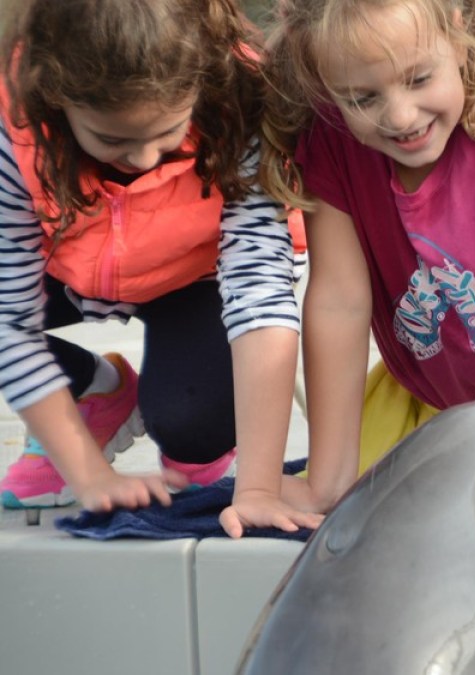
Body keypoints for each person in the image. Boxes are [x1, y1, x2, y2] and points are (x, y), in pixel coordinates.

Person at [220, 0, 475, 537]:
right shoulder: (332, 137)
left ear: (456, 25)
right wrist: (329, 479)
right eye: (364, 98)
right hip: (424, 398)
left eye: (419, 78)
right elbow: (340, 301)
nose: (401, 117)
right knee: (370, 512)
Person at [0, 0, 309, 514]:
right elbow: (9, 320)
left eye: (168, 132)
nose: (143, 159)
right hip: (69, 269)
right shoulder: (17, 128)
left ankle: (186, 416)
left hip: (196, 277)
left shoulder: (245, 100)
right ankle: (94, 393)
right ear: (56, 96)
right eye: (111, 138)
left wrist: (258, 488)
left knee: (194, 425)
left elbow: (260, 290)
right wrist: (90, 474)